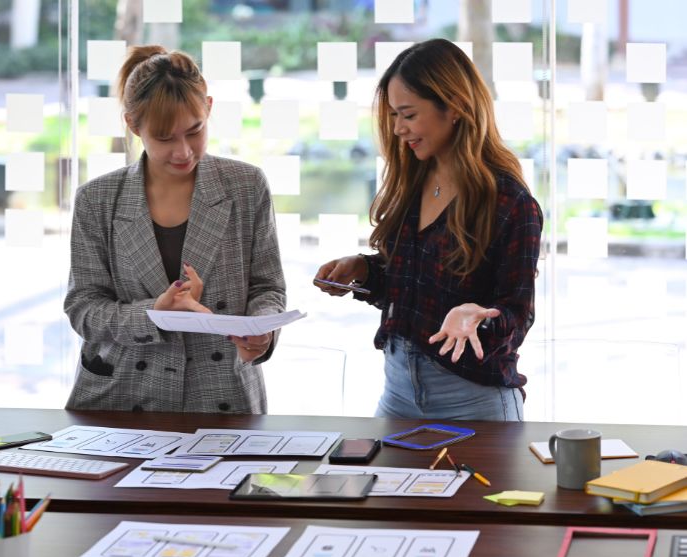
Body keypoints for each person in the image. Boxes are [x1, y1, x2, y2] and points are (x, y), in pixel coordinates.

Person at [314, 39, 543, 421]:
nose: (398, 129)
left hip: (473, 403)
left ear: (452, 107)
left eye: (408, 114)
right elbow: (411, 288)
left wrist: (477, 316)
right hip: (397, 393)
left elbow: (517, 317)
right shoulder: (412, 180)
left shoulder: (510, 202)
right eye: (392, 115)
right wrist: (363, 269)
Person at [65, 45, 286, 413]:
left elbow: (267, 286)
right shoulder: (97, 199)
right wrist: (155, 313)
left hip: (221, 394)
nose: (183, 151)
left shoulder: (246, 186)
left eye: (195, 131)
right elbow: (83, 308)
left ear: (209, 108)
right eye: (165, 138)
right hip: (122, 395)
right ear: (134, 126)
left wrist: (261, 330)